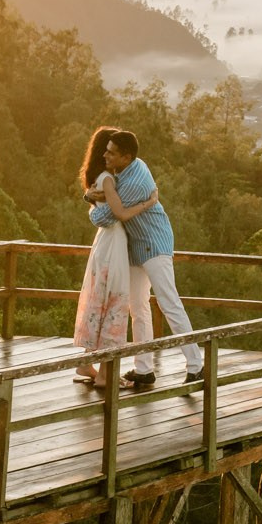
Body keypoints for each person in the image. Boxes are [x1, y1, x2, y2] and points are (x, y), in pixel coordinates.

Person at [87, 130, 204, 388]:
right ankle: (144, 369)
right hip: (137, 248)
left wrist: (93, 207)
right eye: (106, 149)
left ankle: (196, 365)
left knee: (169, 303)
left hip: (155, 244)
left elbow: (107, 217)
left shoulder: (134, 182)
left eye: (111, 152)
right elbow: (106, 200)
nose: (104, 154)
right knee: (137, 307)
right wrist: (95, 197)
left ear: (126, 157)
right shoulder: (126, 170)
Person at [71, 127, 162, 386]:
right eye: (107, 150)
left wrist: (87, 196)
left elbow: (100, 209)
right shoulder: (108, 180)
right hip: (113, 244)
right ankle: (105, 375)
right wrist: (148, 203)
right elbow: (119, 214)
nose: (108, 154)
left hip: (104, 243)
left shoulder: (99, 180)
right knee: (114, 301)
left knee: (100, 299)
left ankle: (87, 363)